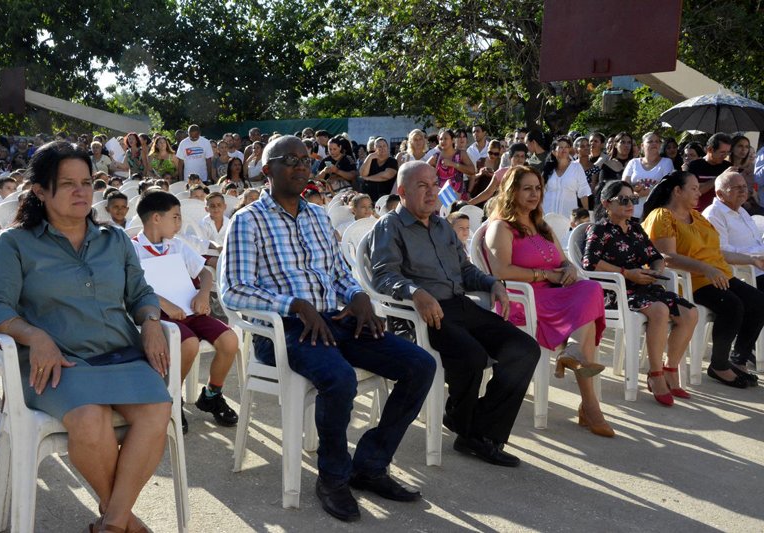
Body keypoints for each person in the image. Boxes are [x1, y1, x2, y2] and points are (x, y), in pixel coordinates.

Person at [220, 136, 436, 522]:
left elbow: (339, 274)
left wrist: (358, 296)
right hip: (283, 332)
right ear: (266, 170)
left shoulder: (319, 216)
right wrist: (295, 306)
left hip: (333, 320)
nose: (301, 165)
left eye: (306, 158)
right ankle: (333, 478)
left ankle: (369, 464)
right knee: (339, 378)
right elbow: (232, 292)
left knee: (420, 365)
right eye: (289, 159)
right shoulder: (247, 220)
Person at [0, 141, 173, 532]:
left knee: (157, 407)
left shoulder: (113, 239)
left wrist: (150, 321)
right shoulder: (15, 243)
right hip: (57, 363)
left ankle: (112, 523)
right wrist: (34, 335)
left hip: (120, 354)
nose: (81, 192)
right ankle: (126, 522)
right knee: (89, 416)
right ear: (40, 191)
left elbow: (142, 295)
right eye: (67, 184)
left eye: (86, 182)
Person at [370, 160, 540, 464]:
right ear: (403, 191)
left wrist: (492, 284)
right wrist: (416, 292)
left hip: (460, 305)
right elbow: (383, 276)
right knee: (472, 356)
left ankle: (475, 427)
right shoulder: (389, 226)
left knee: (524, 349)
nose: (432, 191)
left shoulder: (441, 226)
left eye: (434, 184)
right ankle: (470, 431)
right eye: (421, 185)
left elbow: (464, 268)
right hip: (422, 314)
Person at [483, 165, 612, 436]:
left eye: (538, 188)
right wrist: (545, 274)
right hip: (523, 301)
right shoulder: (500, 227)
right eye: (527, 188)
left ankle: (574, 354)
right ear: (512, 191)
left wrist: (569, 270)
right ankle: (590, 405)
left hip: (555, 295)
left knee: (590, 288)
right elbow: (500, 272)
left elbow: (564, 261)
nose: (534, 194)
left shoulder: (541, 226)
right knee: (585, 317)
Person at [642, 171, 763, 388]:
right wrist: (705, 268)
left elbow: (719, 252)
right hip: (690, 281)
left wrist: (751, 259)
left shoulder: (696, 217)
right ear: (677, 191)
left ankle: (739, 360)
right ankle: (719, 365)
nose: (699, 193)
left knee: (758, 302)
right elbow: (665, 257)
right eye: (694, 188)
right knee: (732, 306)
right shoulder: (662, 216)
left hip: (717, 275)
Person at [584, 180, 698, 405]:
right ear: (607, 203)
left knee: (690, 313)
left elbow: (655, 256)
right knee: (659, 310)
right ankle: (655, 375)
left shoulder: (635, 227)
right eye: (623, 200)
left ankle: (670, 369)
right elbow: (590, 262)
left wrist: (655, 272)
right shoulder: (599, 229)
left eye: (633, 200)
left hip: (643, 286)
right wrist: (626, 273)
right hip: (615, 291)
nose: (630, 204)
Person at [133, 190, 239, 432]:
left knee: (230, 340)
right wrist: (164, 304)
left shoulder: (177, 245)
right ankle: (172, 398)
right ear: (156, 218)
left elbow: (203, 272)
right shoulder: (133, 249)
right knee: (188, 344)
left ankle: (212, 394)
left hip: (190, 309)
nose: (179, 223)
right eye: (176, 217)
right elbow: (133, 287)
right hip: (158, 315)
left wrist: (203, 294)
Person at [702, 170, 764, 367]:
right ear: (720, 193)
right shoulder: (714, 213)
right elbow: (720, 251)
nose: (743, 191)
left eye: (744, 187)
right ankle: (742, 355)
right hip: (743, 271)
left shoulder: (742, 210)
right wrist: (753, 258)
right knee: (756, 302)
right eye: (736, 188)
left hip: (757, 266)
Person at [622, 132, 674, 219]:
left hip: (656, 214)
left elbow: (667, 187)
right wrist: (634, 190)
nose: (654, 144)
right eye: (650, 141)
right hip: (633, 213)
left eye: (657, 141)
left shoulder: (666, 162)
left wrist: (647, 192)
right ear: (642, 145)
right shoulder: (633, 162)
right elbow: (623, 185)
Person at [541, 136, 591, 217]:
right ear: (554, 152)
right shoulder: (548, 169)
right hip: (547, 215)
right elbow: (541, 192)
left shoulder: (576, 167)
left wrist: (586, 215)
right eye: (560, 147)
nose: (564, 149)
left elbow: (583, 192)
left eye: (566, 147)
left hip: (568, 216)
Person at [469, 142, 528, 207]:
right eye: (517, 156)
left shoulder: (529, 175)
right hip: (504, 208)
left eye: (522, 156)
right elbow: (488, 192)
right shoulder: (501, 173)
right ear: (510, 158)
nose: (520, 160)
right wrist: (470, 203)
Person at [686, 132, 732, 211]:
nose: (725, 156)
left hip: (722, 215)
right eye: (722, 152)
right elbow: (697, 190)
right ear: (710, 149)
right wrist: (721, 177)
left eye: (727, 152)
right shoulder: (694, 166)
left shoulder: (728, 167)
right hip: (699, 214)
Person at [427, 129, 476, 200]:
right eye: (441, 139)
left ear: (452, 140)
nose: (443, 141)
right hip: (443, 198)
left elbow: (472, 170)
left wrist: (454, 164)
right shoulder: (436, 157)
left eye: (446, 138)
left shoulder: (461, 154)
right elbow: (423, 171)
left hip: (459, 196)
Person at [359, 137, 399, 202]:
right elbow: (363, 173)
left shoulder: (392, 161)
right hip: (368, 196)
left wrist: (368, 178)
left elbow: (386, 176)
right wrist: (369, 157)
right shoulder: (371, 159)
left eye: (384, 146)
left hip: (384, 197)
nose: (382, 148)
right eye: (379, 146)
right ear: (375, 148)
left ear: (387, 148)